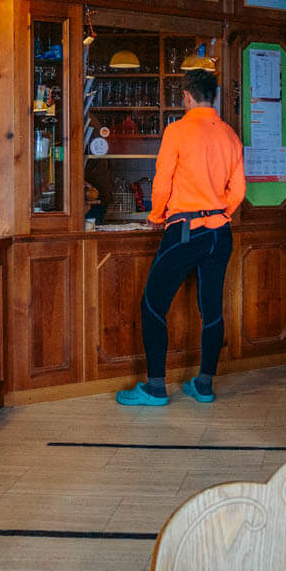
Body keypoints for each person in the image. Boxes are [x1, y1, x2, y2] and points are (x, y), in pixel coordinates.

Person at [115, 52, 244, 406]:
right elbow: (239, 191)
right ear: (214, 96)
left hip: (185, 229)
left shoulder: (178, 130)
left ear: (186, 97)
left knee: (154, 304)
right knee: (211, 308)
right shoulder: (230, 135)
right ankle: (203, 384)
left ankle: (156, 388)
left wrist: (157, 216)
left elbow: (161, 181)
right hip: (220, 232)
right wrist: (220, 214)